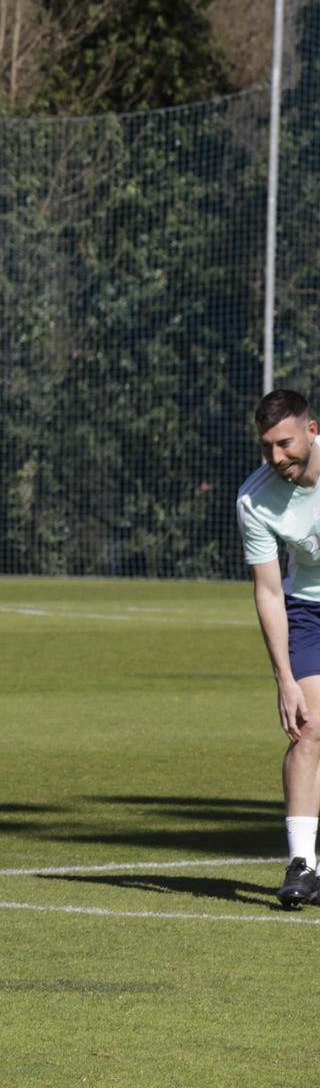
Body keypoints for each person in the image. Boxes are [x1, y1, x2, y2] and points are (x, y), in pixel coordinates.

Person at [237, 389, 320, 909]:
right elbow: (268, 590)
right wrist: (283, 680)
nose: (277, 458)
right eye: (267, 447)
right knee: (309, 727)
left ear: (312, 430)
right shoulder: (255, 499)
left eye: (285, 444)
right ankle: (304, 865)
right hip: (309, 612)